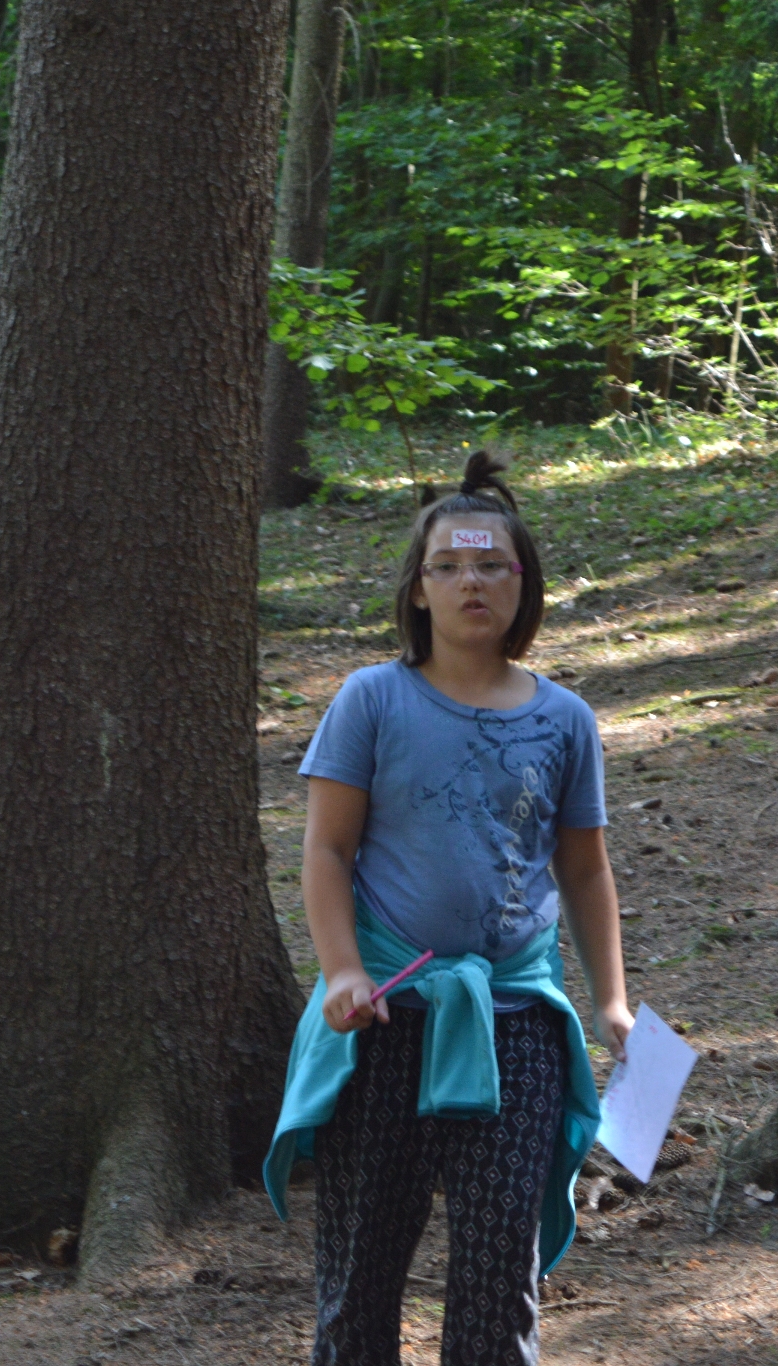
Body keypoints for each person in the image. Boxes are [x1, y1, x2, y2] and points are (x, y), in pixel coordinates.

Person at [263, 451, 632, 1366]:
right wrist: (342, 971)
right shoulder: (372, 700)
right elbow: (326, 850)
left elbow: (585, 870)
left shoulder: (566, 719)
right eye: (450, 566)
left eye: (492, 565)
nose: (472, 582)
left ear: (523, 583)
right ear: (419, 589)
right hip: (386, 1015)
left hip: (519, 1021)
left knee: (500, 1269)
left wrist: (612, 1001)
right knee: (361, 1270)